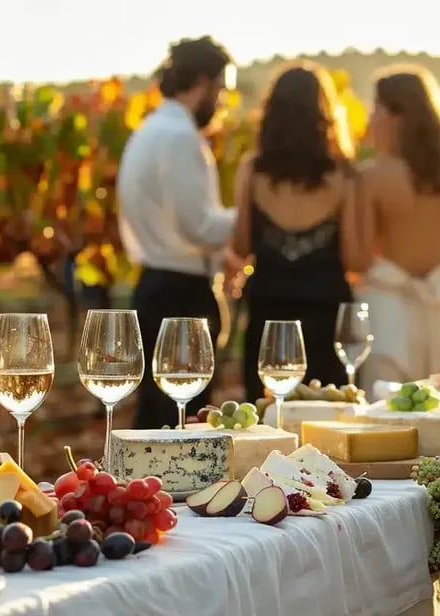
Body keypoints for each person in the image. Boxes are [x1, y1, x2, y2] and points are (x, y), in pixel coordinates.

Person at [117, 36, 235, 429]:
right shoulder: (181, 137)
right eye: (220, 89)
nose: (220, 102)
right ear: (202, 81)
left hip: (154, 287)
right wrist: (255, 217)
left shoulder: (148, 131)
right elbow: (199, 226)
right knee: (180, 422)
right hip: (182, 297)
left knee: (153, 416)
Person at [226, 63, 360, 403]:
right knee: (327, 417)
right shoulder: (343, 174)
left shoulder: (252, 170)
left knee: (269, 417)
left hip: (269, 311)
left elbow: (241, 246)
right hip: (326, 311)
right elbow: (356, 257)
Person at [354, 65, 440, 386]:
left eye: (375, 109)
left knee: (384, 421)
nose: (371, 119)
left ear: (396, 117)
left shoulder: (372, 177)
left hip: (387, 319)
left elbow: (359, 258)